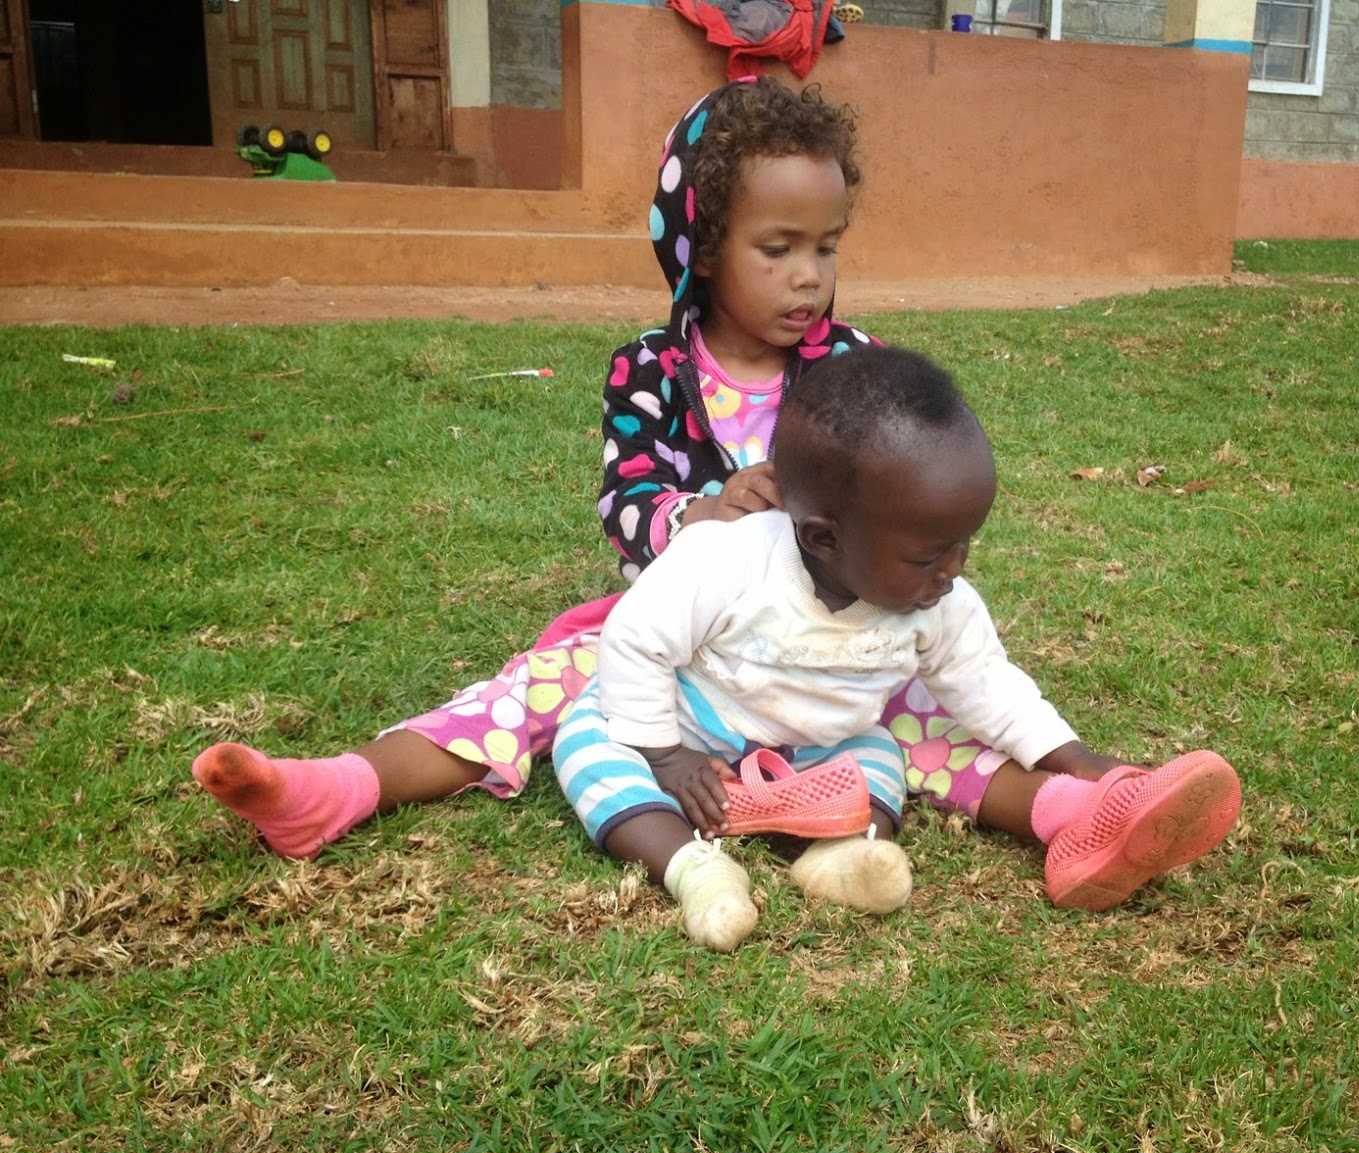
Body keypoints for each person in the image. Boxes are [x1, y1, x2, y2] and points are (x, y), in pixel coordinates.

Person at [190, 75, 1235, 906]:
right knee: (536, 689)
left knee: (933, 716)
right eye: (776, 249)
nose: (807, 276)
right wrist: (695, 512)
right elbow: (626, 502)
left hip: (837, 652)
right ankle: (338, 788)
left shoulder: (854, 368)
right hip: (691, 647)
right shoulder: (649, 371)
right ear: (698, 245)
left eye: (826, 248)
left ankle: (1082, 811)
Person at [553, 345, 1241, 951]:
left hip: (816, 749)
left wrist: (1074, 758)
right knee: (587, 741)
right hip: (693, 723)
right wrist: (664, 754)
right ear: (823, 538)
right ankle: (694, 871)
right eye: (928, 556)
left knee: (879, 758)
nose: (953, 571)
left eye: (963, 544)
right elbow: (635, 639)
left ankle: (845, 858)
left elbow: (988, 684)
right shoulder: (727, 560)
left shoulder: (939, 603)